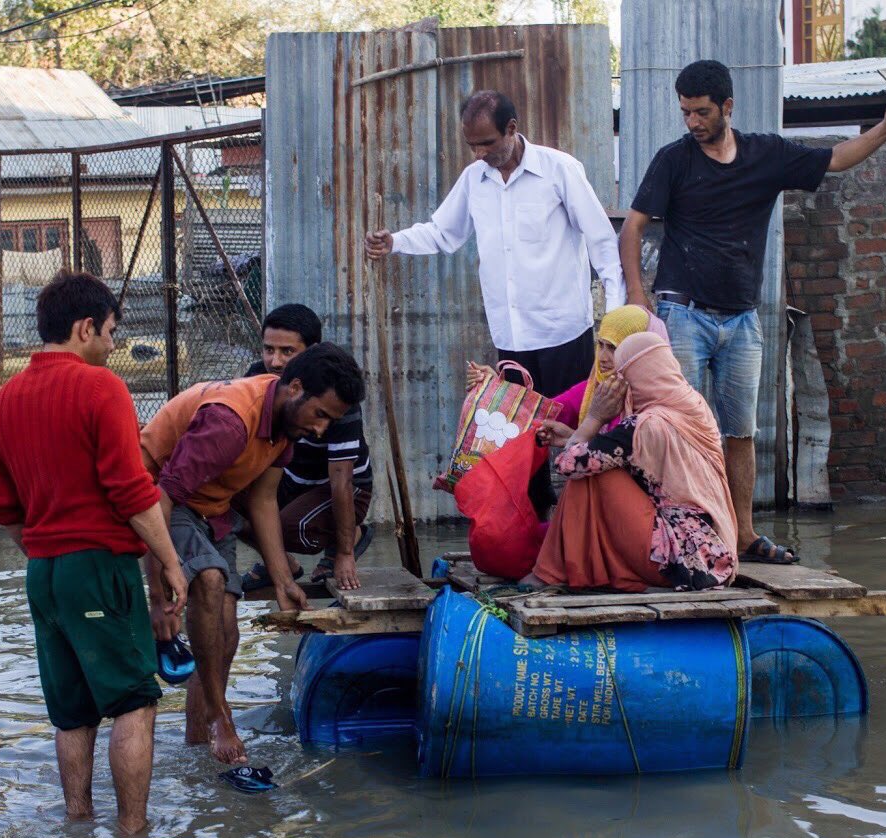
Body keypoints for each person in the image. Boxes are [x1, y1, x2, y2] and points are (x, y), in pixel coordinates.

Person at [620, 60, 886, 565]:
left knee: (741, 432)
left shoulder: (767, 155)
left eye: (701, 112)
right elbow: (633, 227)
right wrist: (636, 294)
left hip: (742, 320)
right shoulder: (673, 160)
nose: (692, 122)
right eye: (685, 112)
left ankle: (742, 535)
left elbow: (836, 159)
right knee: (678, 430)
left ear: (727, 107)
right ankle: (682, 540)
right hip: (683, 314)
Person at [0, 271, 188, 835]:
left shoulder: (3, 400)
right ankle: (134, 837)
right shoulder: (103, 388)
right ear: (85, 328)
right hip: (99, 566)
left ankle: (77, 826)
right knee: (134, 702)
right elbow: (131, 490)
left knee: (71, 712)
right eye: (111, 332)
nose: (114, 345)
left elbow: (4, 506)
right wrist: (170, 563)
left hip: (43, 574)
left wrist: (47, 553)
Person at [366, 89, 625, 508]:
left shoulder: (559, 170)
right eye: (472, 145)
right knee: (523, 447)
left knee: (578, 436)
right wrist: (395, 241)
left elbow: (602, 243)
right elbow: (443, 233)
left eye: (487, 143)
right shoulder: (475, 180)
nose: (480, 153)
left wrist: (613, 321)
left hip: (563, 333)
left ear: (512, 129)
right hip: (511, 338)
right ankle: (537, 530)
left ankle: (581, 526)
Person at [139, 344, 364, 764]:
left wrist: (283, 581)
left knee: (225, 633)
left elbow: (262, 500)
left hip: (212, 506)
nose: (321, 430)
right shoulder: (230, 422)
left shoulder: (285, 423)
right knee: (209, 579)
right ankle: (220, 718)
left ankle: (197, 744)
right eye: (319, 415)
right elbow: (159, 499)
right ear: (295, 388)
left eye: (330, 422)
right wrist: (158, 597)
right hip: (158, 498)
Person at [533, 331, 739, 592]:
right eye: (600, 346)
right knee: (595, 468)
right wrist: (574, 437)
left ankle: (550, 572)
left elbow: (568, 465)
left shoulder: (645, 425)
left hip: (681, 563)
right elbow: (613, 454)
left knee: (588, 475)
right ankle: (564, 569)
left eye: (623, 376)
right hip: (714, 554)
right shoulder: (693, 405)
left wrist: (594, 418)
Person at [240, 304, 374, 592]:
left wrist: (345, 554)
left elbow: (341, 479)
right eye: (269, 350)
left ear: (311, 352)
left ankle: (350, 536)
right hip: (291, 477)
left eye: (287, 351)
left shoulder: (334, 392)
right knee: (225, 507)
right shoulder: (257, 377)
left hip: (339, 486)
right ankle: (281, 563)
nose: (275, 362)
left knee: (289, 529)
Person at [471, 304, 667, 440]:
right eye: (601, 345)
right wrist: (495, 388)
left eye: (614, 348)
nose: (602, 358)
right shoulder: (593, 390)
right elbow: (535, 413)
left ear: (641, 351)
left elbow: (624, 458)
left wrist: (580, 433)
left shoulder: (664, 401)